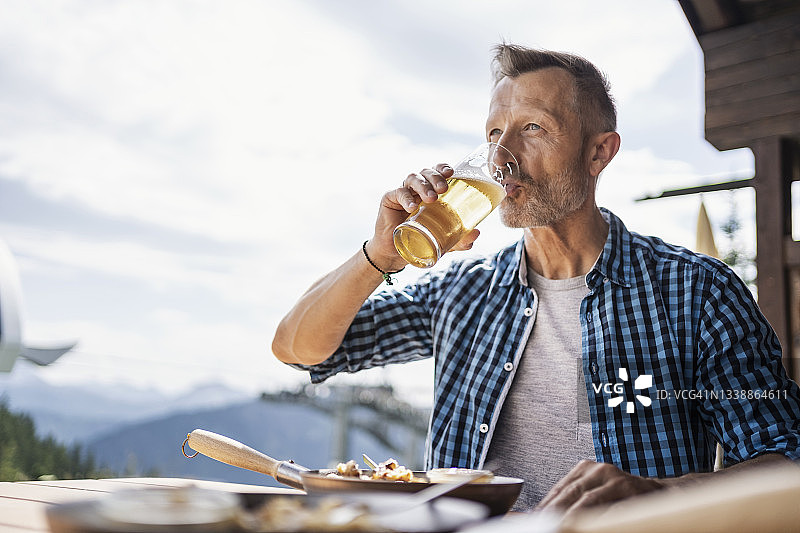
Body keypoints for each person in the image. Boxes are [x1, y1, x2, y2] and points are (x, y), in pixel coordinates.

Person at [272, 44, 800, 514]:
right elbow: (299, 347)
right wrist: (378, 256)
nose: (502, 158)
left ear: (600, 152)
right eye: (494, 135)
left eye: (532, 129)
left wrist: (661, 495)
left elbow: (786, 460)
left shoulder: (697, 293)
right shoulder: (464, 292)